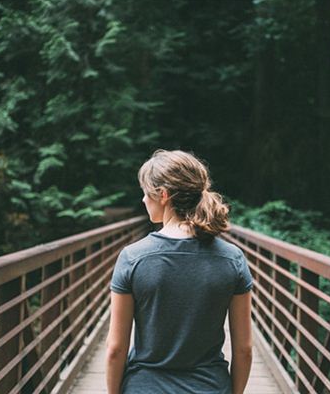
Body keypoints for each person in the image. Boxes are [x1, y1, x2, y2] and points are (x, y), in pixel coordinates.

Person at [105, 149, 254, 394]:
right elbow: (244, 349)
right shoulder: (232, 259)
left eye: (146, 193)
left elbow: (115, 349)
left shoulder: (133, 258)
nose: (143, 200)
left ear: (163, 195)